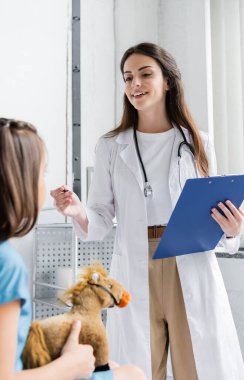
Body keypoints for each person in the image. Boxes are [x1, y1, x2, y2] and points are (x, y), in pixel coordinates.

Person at [51, 42, 244, 380]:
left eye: (145, 74)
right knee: (140, 369)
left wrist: (232, 230)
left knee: (197, 367)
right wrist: (78, 211)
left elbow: (214, 211)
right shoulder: (112, 146)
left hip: (189, 259)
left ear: (168, 80)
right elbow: (99, 218)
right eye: (128, 78)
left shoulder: (198, 142)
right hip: (135, 263)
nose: (134, 84)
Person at [0, 118, 146, 380]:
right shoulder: (6, 264)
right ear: (17, 182)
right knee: (132, 374)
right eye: (42, 173)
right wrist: (69, 365)